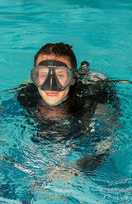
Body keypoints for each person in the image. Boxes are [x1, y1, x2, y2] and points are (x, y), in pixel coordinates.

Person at [17, 42, 122, 172]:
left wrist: (76, 169)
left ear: (72, 79)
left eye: (60, 75)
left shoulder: (93, 104)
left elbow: (108, 144)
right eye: (43, 75)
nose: (51, 84)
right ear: (35, 78)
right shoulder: (26, 97)